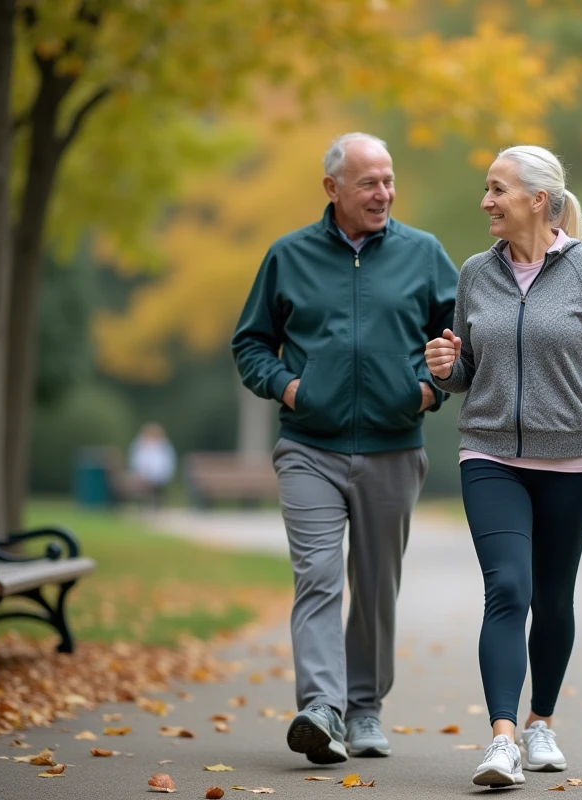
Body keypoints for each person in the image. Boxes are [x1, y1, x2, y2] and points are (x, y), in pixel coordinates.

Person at [232, 132, 458, 765]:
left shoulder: (424, 254)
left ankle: (364, 710)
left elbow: (460, 344)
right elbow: (250, 343)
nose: (382, 193)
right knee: (318, 577)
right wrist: (291, 389)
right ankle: (322, 708)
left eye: (388, 180)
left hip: (393, 447)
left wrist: (428, 390)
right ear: (332, 189)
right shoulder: (288, 256)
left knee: (376, 584)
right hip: (310, 446)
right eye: (368, 182)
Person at [426, 145, 582, 787]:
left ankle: (541, 720)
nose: (486, 201)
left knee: (551, 598)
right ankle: (503, 739)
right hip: (490, 454)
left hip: (572, 460)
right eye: (487, 190)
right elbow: (465, 371)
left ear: (537, 200)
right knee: (509, 590)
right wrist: (445, 367)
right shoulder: (475, 273)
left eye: (498, 190)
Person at [127, 422, 177, 507]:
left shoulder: (164, 447)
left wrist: (159, 475)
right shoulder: (139, 446)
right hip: (142, 476)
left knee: (153, 486)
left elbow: (167, 464)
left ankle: (154, 503)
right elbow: (135, 461)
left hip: (159, 477)